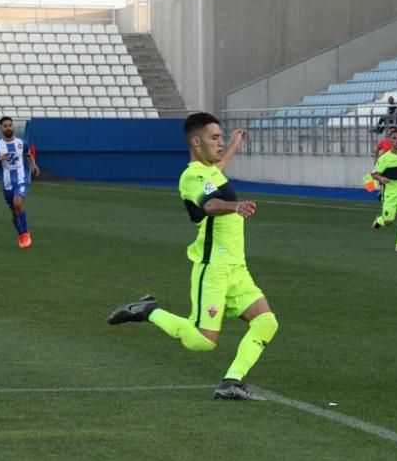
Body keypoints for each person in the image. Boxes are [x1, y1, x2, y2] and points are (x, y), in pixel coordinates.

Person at [107, 112, 278, 401]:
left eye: (221, 137)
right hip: (214, 268)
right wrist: (234, 207)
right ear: (196, 142)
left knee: (267, 322)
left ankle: (231, 382)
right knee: (202, 342)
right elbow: (208, 203)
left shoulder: (210, 171)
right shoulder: (191, 177)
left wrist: (234, 147)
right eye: (215, 138)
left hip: (237, 268)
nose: (220, 143)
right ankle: (147, 311)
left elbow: (217, 171)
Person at [0, 116, 39, 248]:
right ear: (1, 128)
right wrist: (0, 159)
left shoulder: (21, 142)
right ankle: (21, 233)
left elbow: (27, 154)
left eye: (10, 125)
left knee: (18, 202)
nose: (8, 127)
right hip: (7, 183)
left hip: (21, 180)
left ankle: (25, 233)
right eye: (5, 125)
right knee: (14, 213)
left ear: (13, 127)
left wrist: (33, 165)